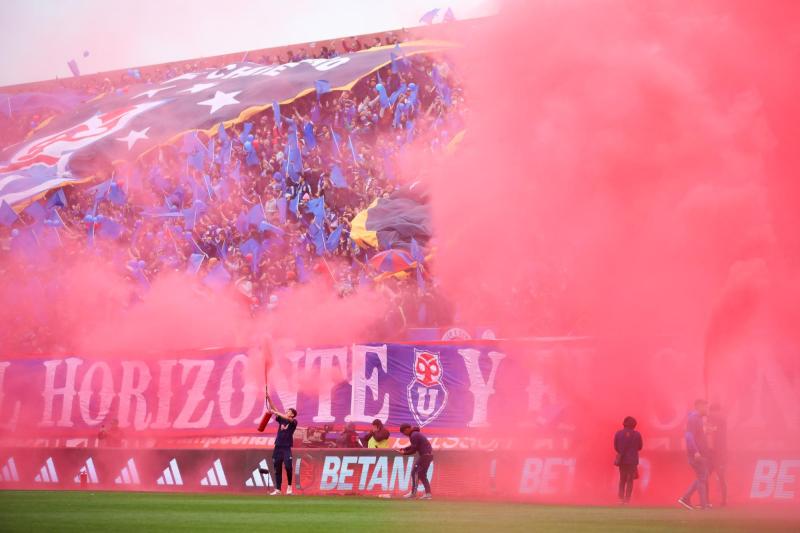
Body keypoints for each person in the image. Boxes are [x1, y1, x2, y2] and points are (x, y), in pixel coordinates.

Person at [678, 399, 710, 510]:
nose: (707, 409)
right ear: (698, 406)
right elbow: (689, 436)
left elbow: (695, 436)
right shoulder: (693, 418)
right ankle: (701, 504)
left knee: (702, 477)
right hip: (696, 454)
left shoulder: (698, 419)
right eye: (705, 406)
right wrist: (696, 451)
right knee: (702, 477)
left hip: (700, 453)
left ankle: (687, 499)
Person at [266, 396, 297, 495]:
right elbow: (274, 408)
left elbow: (279, 414)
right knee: (277, 467)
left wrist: (276, 412)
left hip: (286, 447)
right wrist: (269, 398)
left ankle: (289, 487)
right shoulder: (281, 420)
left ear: (292, 414)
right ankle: (278, 489)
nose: (286, 412)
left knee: (288, 466)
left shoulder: (294, 422)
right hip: (278, 446)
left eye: (288, 411)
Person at [397, 423, 433, 500]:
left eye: (404, 432)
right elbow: (414, 446)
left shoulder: (414, 435)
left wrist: (404, 453)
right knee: (422, 475)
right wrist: (405, 448)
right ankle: (428, 494)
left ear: (407, 429)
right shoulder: (416, 434)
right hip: (428, 456)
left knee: (414, 472)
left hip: (425, 456)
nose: (404, 434)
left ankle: (413, 493)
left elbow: (413, 449)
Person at [613, 416, 643, 504]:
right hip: (633, 460)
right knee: (630, 480)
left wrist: (621, 453)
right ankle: (627, 500)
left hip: (622, 460)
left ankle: (620, 499)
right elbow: (640, 447)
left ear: (624, 424)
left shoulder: (618, 433)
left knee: (622, 479)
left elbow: (616, 447)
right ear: (634, 425)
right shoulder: (637, 434)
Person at [707, 403, 727, 506]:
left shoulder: (721, 421)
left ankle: (723, 501)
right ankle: (705, 500)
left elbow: (711, 430)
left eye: (712, 412)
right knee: (706, 477)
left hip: (719, 454)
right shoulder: (712, 421)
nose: (711, 414)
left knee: (721, 477)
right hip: (712, 454)